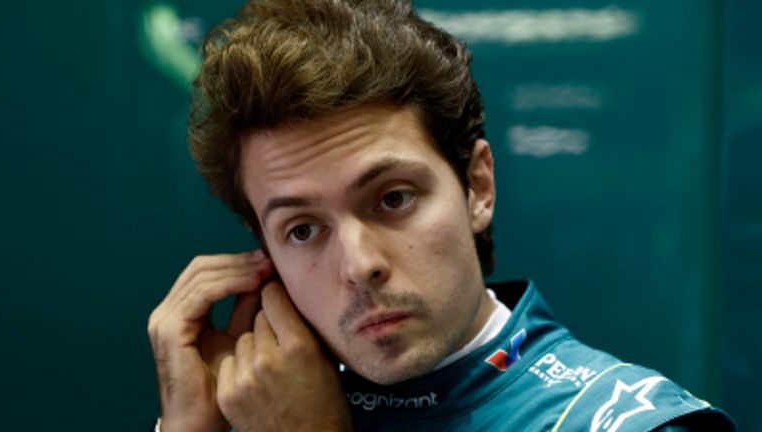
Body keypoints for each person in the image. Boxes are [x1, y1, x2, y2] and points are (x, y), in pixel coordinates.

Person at [147, 0, 735, 430]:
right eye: (302, 230)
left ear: (477, 187)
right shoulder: (259, 413)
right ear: (267, 260)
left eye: (393, 198)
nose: (359, 266)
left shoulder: (636, 423)